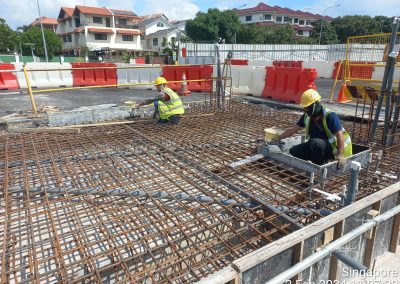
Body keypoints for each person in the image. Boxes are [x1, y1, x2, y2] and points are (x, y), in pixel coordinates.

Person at [277, 89, 352, 167]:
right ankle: (316, 160)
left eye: (307, 107)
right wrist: (278, 137)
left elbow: (340, 136)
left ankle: (321, 166)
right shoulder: (307, 116)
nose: (305, 110)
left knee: (316, 143)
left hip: (335, 149)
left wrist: (340, 154)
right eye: (304, 107)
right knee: (294, 151)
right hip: (318, 147)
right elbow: (293, 130)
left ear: (316, 105)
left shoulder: (330, 116)